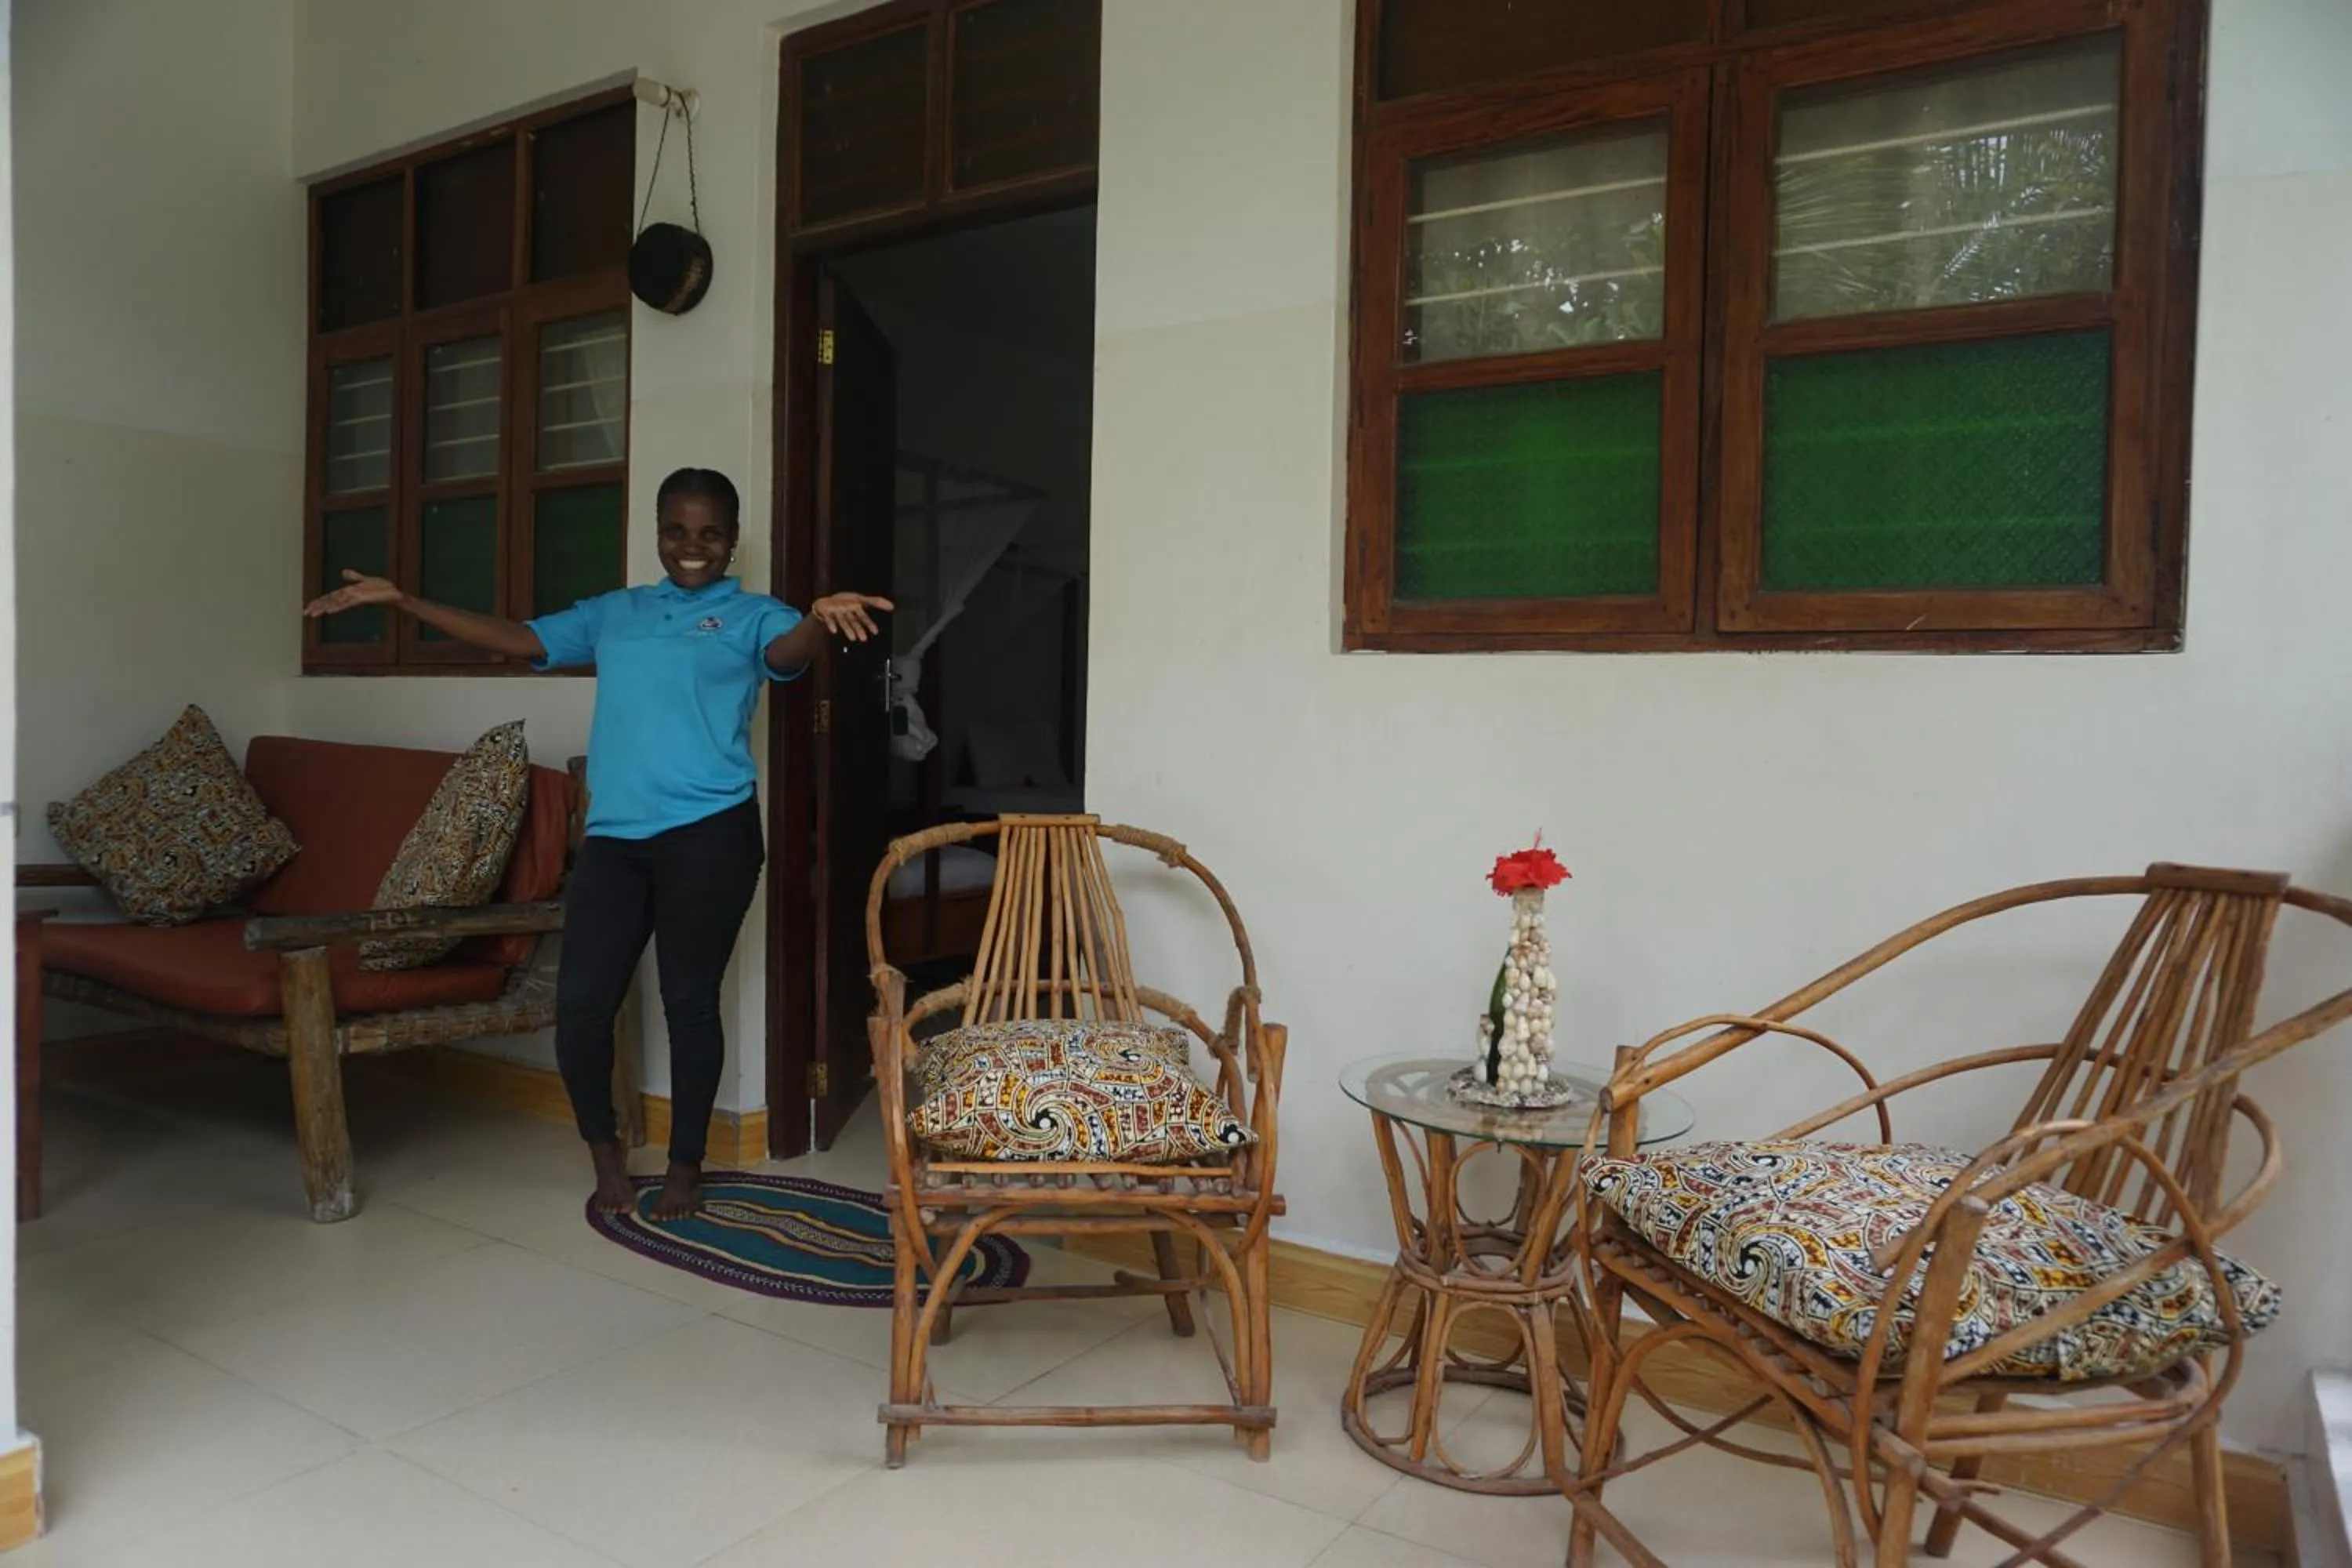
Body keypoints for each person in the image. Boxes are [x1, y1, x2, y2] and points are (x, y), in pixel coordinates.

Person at [303, 466, 891, 1220]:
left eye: (709, 532)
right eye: (677, 530)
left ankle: (684, 1166)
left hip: (711, 836)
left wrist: (817, 614)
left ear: (731, 539)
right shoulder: (616, 612)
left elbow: (787, 656)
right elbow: (520, 639)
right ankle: (606, 1158)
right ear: (657, 533)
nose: (692, 546)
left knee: (689, 1002)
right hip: (616, 840)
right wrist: (406, 601)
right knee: (582, 1006)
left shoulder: (755, 615)